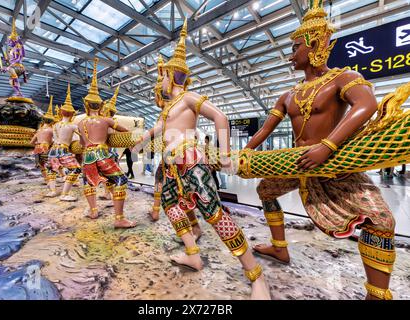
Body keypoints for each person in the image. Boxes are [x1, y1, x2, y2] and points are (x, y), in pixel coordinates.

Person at [245, 0, 396, 300]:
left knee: (382, 221)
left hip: (333, 164)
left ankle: (377, 294)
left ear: (314, 44)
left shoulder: (343, 78)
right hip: (297, 163)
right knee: (265, 191)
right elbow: (264, 130)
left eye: (295, 47)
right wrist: (243, 153)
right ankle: (279, 249)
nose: (290, 55)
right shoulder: (287, 94)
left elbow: (367, 105)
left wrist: (327, 147)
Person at [133, 20, 270, 299]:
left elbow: (220, 117)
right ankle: (193, 254)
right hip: (172, 164)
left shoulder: (188, 98)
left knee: (214, 214)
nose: (159, 81)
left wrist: (223, 154)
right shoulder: (168, 107)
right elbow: (158, 129)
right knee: (172, 208)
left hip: (192, 159)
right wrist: (141, 140)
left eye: (162, 76)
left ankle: (256, 275)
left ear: (172, 76)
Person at [77, 58, 136, 228]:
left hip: (87, 155)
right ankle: (119, 218)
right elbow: (125, 130)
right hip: (103, 153)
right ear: (102, 105)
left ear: (86, 105)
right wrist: (129, 141)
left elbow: (82, 143)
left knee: (88, 182)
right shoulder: (106, 120)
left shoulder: (80, 123)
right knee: (121, 180)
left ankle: (93, 210)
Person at [46, 84, 82, 201]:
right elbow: (81, 137)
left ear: (61, 112)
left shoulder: (56, 125)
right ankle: (64, 194)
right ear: (72, 114)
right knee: (76, 169)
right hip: (63, 149)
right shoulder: (72, 125)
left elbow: (54, 139)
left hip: (53, 149)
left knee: (51, 169)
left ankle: (52, 191)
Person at [31, 96, 55, 184]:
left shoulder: (39, 130)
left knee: (42, 165)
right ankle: (53, 180)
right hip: (46, 148)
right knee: (50, 164)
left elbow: (31, 142)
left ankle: (46, 179)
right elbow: (55, 141)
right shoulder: (51, 130)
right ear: (52, 122)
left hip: (37, 148)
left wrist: (38, 143)